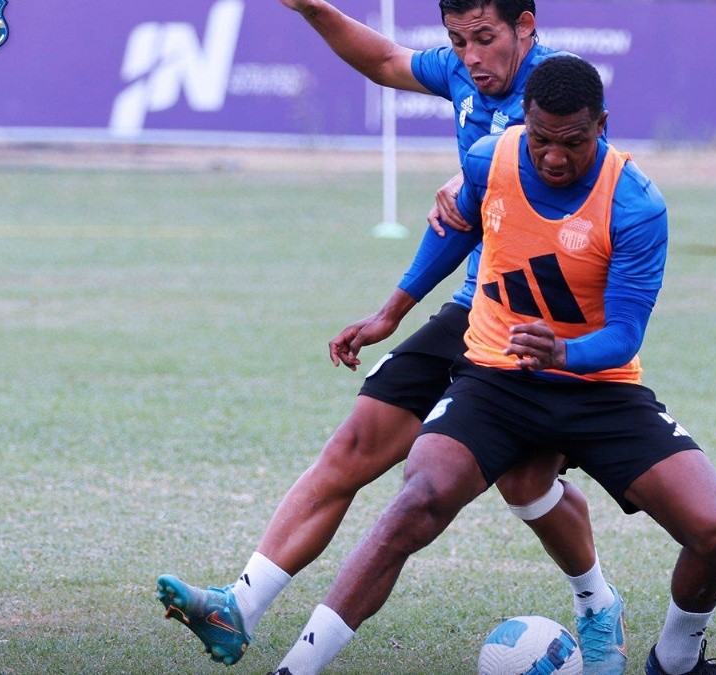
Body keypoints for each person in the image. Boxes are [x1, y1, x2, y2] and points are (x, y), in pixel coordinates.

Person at [154, 2, 628, 673]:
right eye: (458, 41)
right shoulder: (468, 75)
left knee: (526, 482)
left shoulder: (555, 92)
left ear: (526, 26)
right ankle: (239, 604)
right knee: (355, 443)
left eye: (485, 38)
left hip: (542, 325)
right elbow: (383, 60)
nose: (471, 56)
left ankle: (596, 605)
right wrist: (313, 8)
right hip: (473, 305)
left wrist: (481, 174)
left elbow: (557, 176)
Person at [271, 56, 716, 675]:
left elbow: (625, 335)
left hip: (596, 387)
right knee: (417, 500)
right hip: (495, 379)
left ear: (601, 125)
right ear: (526, 119)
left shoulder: (634, 205)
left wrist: (564, 352)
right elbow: (457, 226)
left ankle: (677, 663)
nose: (553, 156)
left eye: (573, 142)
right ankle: (295, 668)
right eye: (543, 139)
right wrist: (393, 310)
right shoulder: (491, 157)